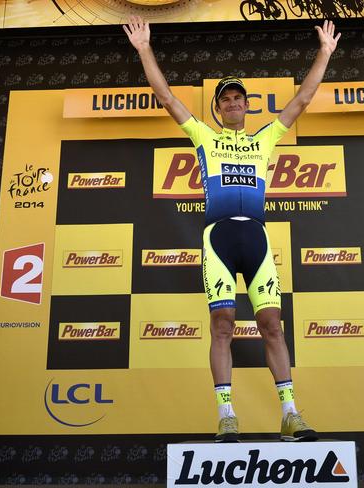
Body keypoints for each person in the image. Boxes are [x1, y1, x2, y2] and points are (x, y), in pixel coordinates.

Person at [124, 16, 340, 442]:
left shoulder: (264, 139)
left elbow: (302, 99)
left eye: (240, 98)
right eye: (227, 99)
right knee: (222, 323)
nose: (234, 103)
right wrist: (145, 49)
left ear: (247, 105)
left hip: (256, 238)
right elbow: (166, 97)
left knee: (273, 325)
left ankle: (291, 414)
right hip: (219, 238)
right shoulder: (203, 136)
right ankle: (226, 415)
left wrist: (325, 53)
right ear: (219, 108)